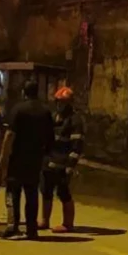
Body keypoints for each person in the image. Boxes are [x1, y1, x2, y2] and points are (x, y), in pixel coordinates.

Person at [0, 79, 53, 240]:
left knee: (13, 192)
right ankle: (31, 229)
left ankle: (12, 226)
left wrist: (3, 157)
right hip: (35, 159)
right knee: (32, 194)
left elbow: (10, 135)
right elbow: (50, 137)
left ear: (24, 92)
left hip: (18, 158)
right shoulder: (45, 111)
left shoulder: (18, 110)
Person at [41, 86, 83, 233]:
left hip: (63, 162)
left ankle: (68, 223)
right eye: (58, 102)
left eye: (63, 102)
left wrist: (70, 165)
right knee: (46, 190)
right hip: (49, 160)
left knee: (63, 192)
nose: (60, 105)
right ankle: (45, 220)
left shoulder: (74, 121)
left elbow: (76, 146)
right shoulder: (54, 117)